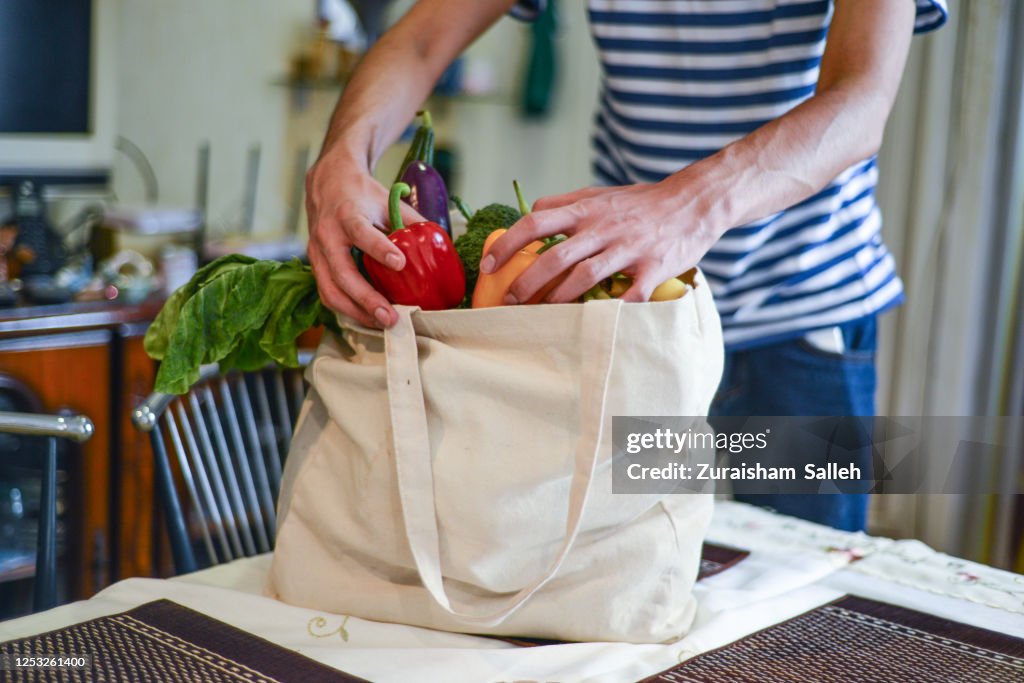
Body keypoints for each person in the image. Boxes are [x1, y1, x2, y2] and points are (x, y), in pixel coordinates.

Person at [304, 0, 948, 531]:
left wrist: (686, 206)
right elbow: (421, 43)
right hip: (628, 320)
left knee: (799, 615)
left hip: (801, 319)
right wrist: (341, 156)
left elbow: (861, 98)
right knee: (612, 582)